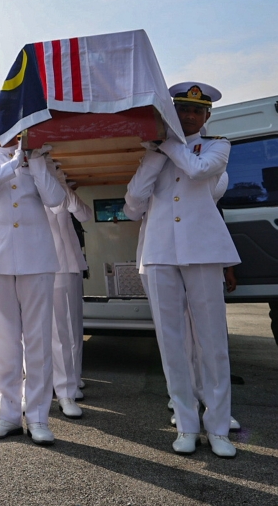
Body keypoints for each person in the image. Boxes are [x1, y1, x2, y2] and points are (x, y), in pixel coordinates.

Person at [124, 83, 241, 458]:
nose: (189, 116)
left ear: (207, 117)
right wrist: (153, 156)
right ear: (173, 113)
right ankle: (187, 424)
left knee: (212, 344)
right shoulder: (154, 152)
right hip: (159, 252)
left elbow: (198, 170)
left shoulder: (217, 146)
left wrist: (167, 144)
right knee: (172, 343)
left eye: (196, 111)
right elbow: (132, 203)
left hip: (203, 252)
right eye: (182, 110)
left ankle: (219, 428)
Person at [0, 100, 65, 445]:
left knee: (38, 340)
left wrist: (33, 162)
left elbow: (54, 199)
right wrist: (12, 164)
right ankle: (7, 414)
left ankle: (37, 416)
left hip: (36, 257)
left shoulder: (40, 159)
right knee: (6, 341)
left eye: (7, 125)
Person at [44, 168, 92, 418]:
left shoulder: (65, 192)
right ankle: (47, 382)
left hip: (67, 264)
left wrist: (65, 189)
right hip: (40, 264)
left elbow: (85, 215)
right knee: (41, 331)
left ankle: (70, 383)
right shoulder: (36, 186)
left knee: (71, 330)